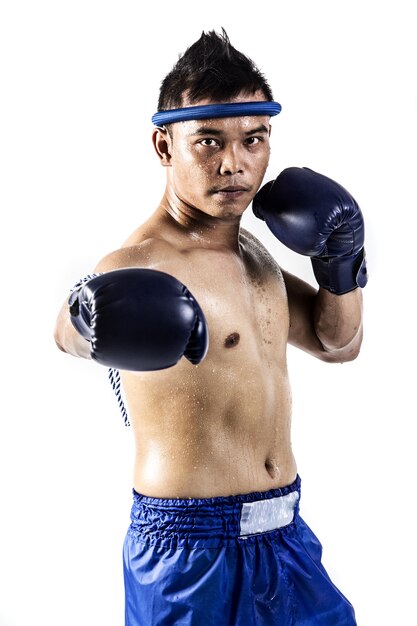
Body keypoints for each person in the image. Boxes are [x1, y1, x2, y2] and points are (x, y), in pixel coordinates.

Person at [54, 28, 367, 626]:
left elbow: (338, 344)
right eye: (208, 142)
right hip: (189, 550)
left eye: (254, 139)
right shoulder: (141, 262)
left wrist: (341, 262)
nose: (234, 163)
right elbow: (66, 335)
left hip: (287, 534)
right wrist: (84, 314)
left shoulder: (254, 253)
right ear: (164, 146)